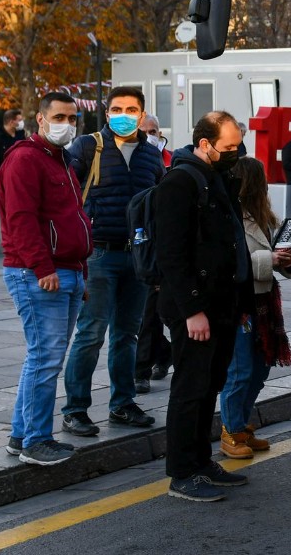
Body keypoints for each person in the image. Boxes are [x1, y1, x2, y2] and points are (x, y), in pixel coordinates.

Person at [156, 111, 252, 502]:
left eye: (237, 146)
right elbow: (172, 255)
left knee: (211, 384)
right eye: (228, 147)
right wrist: (192, 309)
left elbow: (231, 243)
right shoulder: (179, 182)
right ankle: (182, 472)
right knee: (190, 387)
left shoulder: (218, 177)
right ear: (204, 144)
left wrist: (241, 301)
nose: (235, 153)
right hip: (194, 308)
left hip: (223, 302)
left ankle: (201, 462)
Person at [60, 87, 165, 437]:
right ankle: (75, 409)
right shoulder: (88, 147)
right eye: (117, 108)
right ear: (106, 113)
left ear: (142, 113)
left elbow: (159, 205)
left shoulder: (152, 156)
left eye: (131, 109)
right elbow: (62, 194)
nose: (124, 114)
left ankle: (123, 403)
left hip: (137, 256)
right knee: (91, 334)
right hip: (99, 255)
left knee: (127, 335)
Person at [0, 92, 91, 467]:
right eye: (59, 116)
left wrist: (78, 272)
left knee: (43, 357)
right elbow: (20, 220)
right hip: (38, 272)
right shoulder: (25, 159)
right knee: (45, 359)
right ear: (40, 118)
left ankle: (21, 435)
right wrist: (43, 269)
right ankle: (36, 440)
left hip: (66, 270)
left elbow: (74, 218)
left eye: (71, 117)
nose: (66, 123)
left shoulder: (61, 160)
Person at [218, 156, 291, 459]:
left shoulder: (263, 216)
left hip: (264, 301)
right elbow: (226, 264)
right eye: (261, 180)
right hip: (240, 303)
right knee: (240, 370)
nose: (265, 186)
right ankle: (230, 431)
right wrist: (270, 261)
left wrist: (287, 263)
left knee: (261, 368)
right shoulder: (229, 216)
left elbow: (273, 259)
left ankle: (241, 424)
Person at [133, 115, 172, 394]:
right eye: (145, 131)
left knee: (149, 314)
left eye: (154, 131)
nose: (151, 136)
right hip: (129, 244)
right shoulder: (129, 161)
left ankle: (141, 371)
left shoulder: (169, 161)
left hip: (153, 247)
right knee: (138, 317)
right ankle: (164, 353)